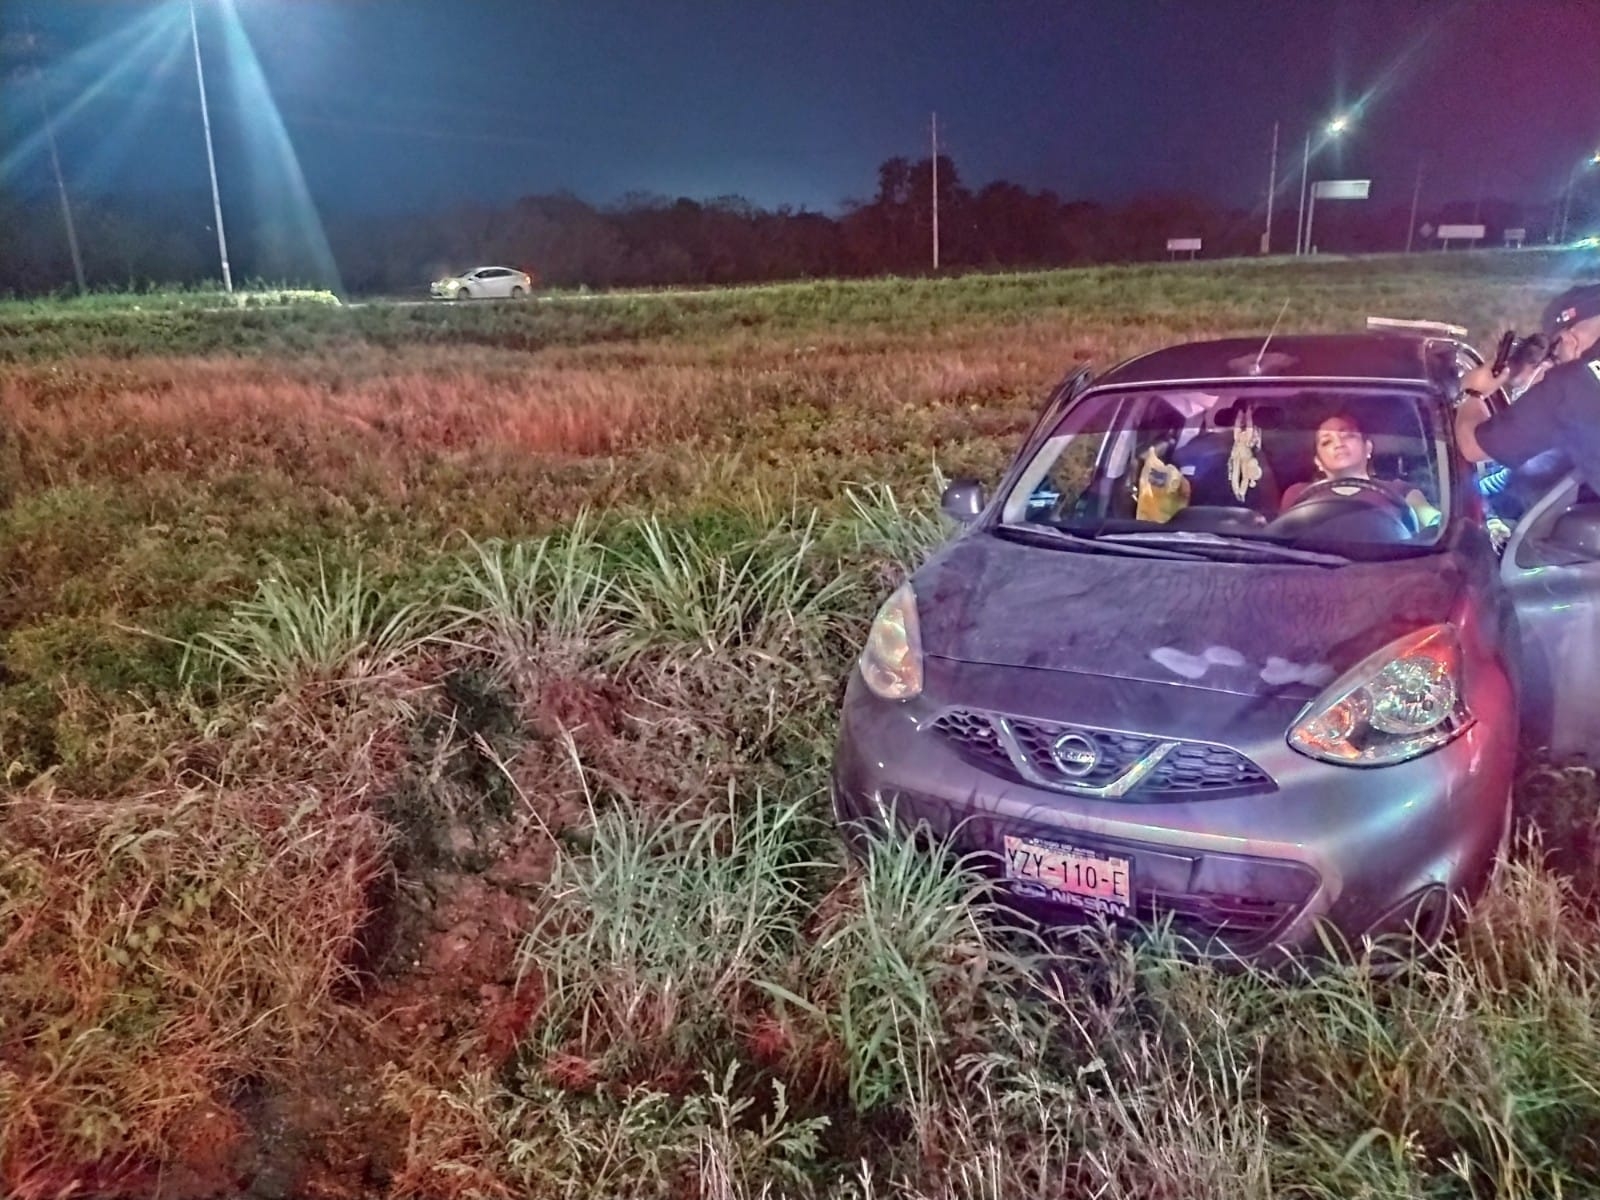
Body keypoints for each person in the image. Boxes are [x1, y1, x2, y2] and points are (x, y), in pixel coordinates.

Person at [1456, 284, 1600, 488]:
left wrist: (1472, 392)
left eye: (1555, 354)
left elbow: (1472, 447)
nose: (1554, 363)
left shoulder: (1570, 383)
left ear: (1568, 340)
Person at [1280, 412, 1443, 528]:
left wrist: (1433, 520)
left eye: (1348, 435)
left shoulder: (1401, 491)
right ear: (1318, 462)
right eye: (1326, 442)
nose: (1339, 444)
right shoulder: (1297, 495)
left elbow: (1435, 522)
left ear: (1368, 448)